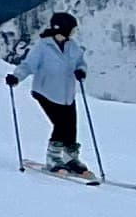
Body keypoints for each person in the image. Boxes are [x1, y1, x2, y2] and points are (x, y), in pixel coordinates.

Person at [16, 11, 92, 175]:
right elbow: (28, 65)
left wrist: (81, 71)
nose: (74, 33)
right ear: (63, 29)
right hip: (45, 92)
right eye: (72, 29)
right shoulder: (43, 47)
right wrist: (16, 77)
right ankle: (53, 158)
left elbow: (81, 62)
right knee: (61, 124)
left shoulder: (73, 46)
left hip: (67, 94)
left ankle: (70, 158)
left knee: (71, 126)